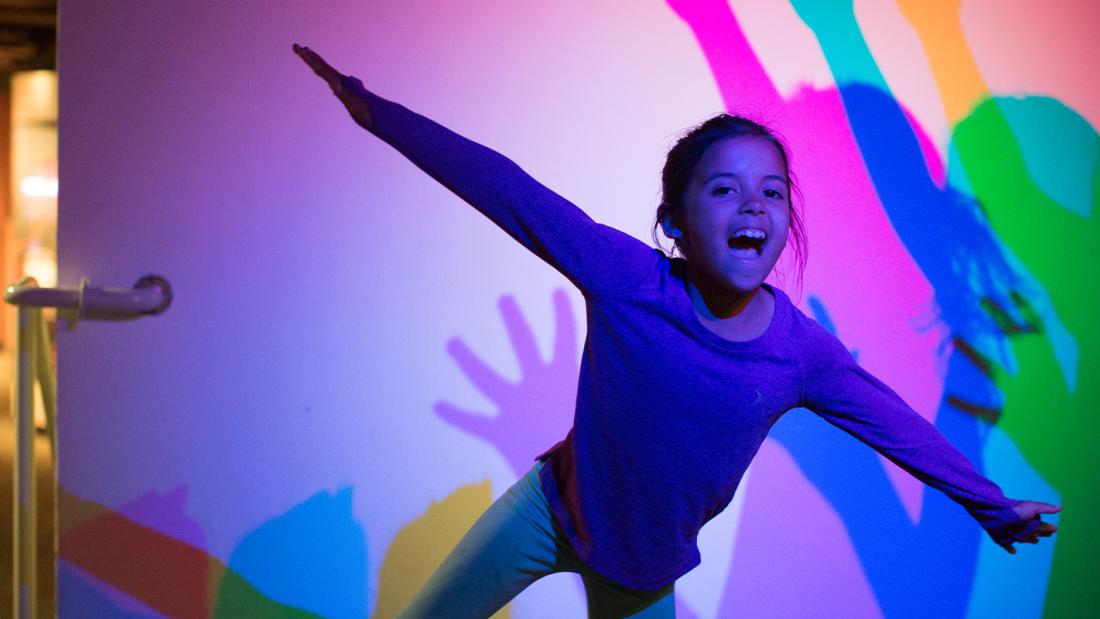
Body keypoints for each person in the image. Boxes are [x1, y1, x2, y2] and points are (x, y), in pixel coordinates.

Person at [292, 44, 1060, 619]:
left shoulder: (798, 353)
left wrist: (990, 504)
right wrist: (376, 113)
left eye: (770, 192)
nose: (752, 206)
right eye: (724, 190)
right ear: (675, 225)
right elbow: (509, 190)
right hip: (547, 510)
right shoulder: (626, 277)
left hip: (643, 570)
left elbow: (894, 423)